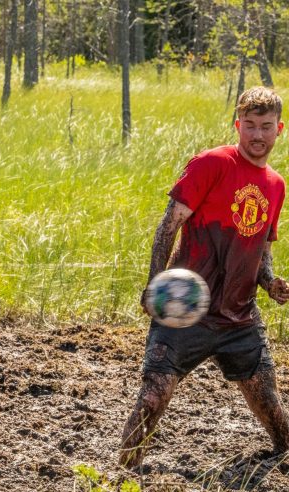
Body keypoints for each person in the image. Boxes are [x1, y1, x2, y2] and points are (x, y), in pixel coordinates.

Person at [119, 87, 289, 469]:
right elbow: (169, 225)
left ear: (279, 129)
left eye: (265, 126)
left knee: (272, 409)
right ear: (237, 126)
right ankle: (123, 472)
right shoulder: (211, 163)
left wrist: (271, 283)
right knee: (153, 396)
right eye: (249, 126)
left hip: (239, 316)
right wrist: (153, 284)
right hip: (186, 305)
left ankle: (282, 466)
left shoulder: (276, 184)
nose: (257, 135)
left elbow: (261, 247)